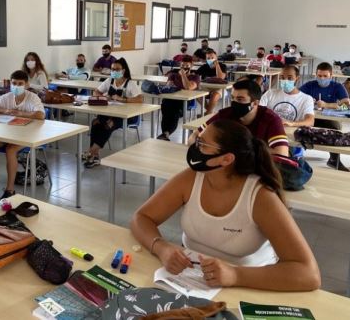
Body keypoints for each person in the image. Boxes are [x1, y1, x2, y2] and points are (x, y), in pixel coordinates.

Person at [131, 120, 321, 291]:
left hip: (250, 282)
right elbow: (142, 217)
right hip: (193, 277)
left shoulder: (260, 197)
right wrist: (162, 248)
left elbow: (309, 274)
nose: (194, 147)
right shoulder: (191, 178)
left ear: (226, 159)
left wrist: (235, 274)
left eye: (202, 144)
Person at [0, 70, 45, 198]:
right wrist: (7, 110)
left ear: (26, 85)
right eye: (14, 83)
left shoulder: (32, 98)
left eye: (20, 83)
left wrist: (21, 114)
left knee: (10, 150)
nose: (16, 86)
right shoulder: (8, 97)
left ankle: (10, 190)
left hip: (27, 135)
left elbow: (41, 115)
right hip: (9, 133)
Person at [192, 79, 289, 157]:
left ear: (255, 103)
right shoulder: (226, 114)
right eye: (232, 98)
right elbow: (194, 136)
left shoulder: (271, 119)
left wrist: (240, 150)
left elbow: (281, 153)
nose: (234, 103)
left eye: (240, 99)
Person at [83, 58, 143, 168]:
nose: (114, 71)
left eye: (117, 69)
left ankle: (91, 152)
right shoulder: (110, 81)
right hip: (110, 111)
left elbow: (140, 99)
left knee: (108, 124)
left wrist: (123, 99)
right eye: (112, 69)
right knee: (96, 122)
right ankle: (94, 156)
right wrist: (103, 96)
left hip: (126, 116)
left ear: (123, 70)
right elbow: (96, 91)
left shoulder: (130, 84)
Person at [300, 62, 350, 171]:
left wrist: (327, 105)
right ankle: (296, 157)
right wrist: (306, 100)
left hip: (328, 118)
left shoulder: (337, 86)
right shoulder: (309, 85)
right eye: (319, 76)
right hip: (310, 117)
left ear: (331, 76)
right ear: (316, 75)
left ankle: (334, 160)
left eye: (325, 76)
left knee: (335, 128)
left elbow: (346, 106)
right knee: (297, 127)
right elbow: (296, 96)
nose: (322, 78)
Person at [157, 56, 201, 141]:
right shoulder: (174, 75)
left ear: (191, 66)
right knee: (166, 107)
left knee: (174, 111)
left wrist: (183, 75)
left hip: (184, 101)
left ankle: (165, 133)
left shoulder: (195, 77)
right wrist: (170, 82)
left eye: (187, 65)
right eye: (182, 65)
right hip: (171, 99)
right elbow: (169, 85)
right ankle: (165, 134)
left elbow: (188, 87)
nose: (184, 67)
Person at [194, 49, 226, 115]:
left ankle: (207, 113)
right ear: (206, 59)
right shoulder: (204, 67)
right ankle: (209, 112)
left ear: (216, 57)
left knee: (214, 94)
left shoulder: (222, 66)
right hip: (206, 87)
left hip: (220, 88)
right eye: (208, 58)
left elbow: (220, 77)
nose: (211, 59)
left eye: (212, 58)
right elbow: (194, 75)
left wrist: (217, 65)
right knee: (196, 93)